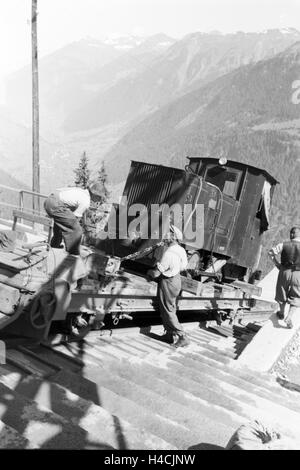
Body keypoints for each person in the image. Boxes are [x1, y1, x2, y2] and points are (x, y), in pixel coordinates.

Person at [147, 225, 190, 348]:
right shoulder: (181, 250)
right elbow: (183, 266)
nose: (165, 235)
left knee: (168, 310)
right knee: (168, 308)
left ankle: (182, 336)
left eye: (167, 234)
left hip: (168, 282)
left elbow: (156, 273)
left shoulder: (169, 253)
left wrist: (149, 272)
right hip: (176, 281)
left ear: (173, 237)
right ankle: (169, 334)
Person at [44, 182, 102, 256]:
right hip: (56, 204)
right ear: (95, 194)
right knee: (77, 230)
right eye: (99, 197)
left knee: (61, 224)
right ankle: (73, 254)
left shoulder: (81, 191)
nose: (99, 200)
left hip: (50, 200)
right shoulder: (86, 200)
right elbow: (75, 218)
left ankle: (55, 245)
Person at [268, 226, 300, 329]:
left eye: (292, 233)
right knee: (297, 296)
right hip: (298, 274)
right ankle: (289, 317)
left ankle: (281, 313)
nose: (291, 234)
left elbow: (270, 253)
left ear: (292, 234)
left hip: (284, 271)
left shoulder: (284, 244)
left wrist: (277, 264)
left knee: (282, 292)